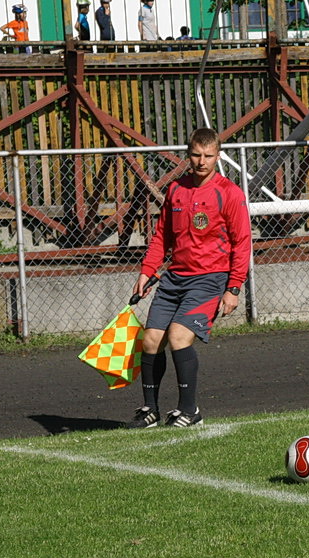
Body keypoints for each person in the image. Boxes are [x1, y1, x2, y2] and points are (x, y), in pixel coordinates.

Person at [127, 128, 252, 429]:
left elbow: (243, 242)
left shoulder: (229, 193)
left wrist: (233, 287)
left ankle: (189, 410)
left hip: (209, 280)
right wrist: (147, 271)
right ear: (188, 154)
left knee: (178, 337)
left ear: (218, 156)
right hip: (173, 279)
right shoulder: (176, 190)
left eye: (208, 156)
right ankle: (150, 410)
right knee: (151, 339)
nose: (201, 161)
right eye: (196, 155)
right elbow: (162, 237)